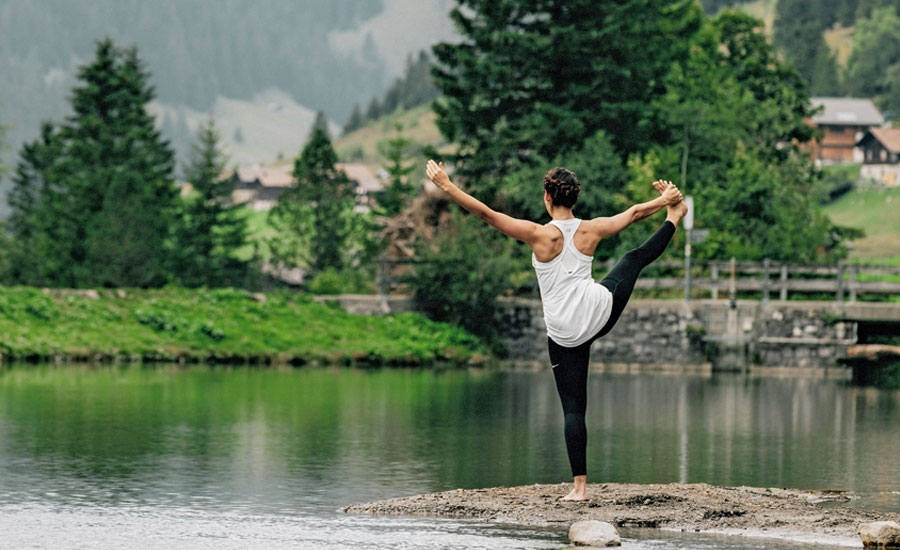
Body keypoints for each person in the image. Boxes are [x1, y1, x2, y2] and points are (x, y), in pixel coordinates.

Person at [425, 160, 688, 501]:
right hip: (598, 314)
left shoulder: (539, 235)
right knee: (633, 259)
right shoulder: (590, 229)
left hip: (563, 333)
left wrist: (446, 185)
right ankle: (675, 219)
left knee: (574, 409)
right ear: (574, 199)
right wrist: (666, 201)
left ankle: (579, 488)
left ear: (547, 198)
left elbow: (487, 214)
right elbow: (635, 213)